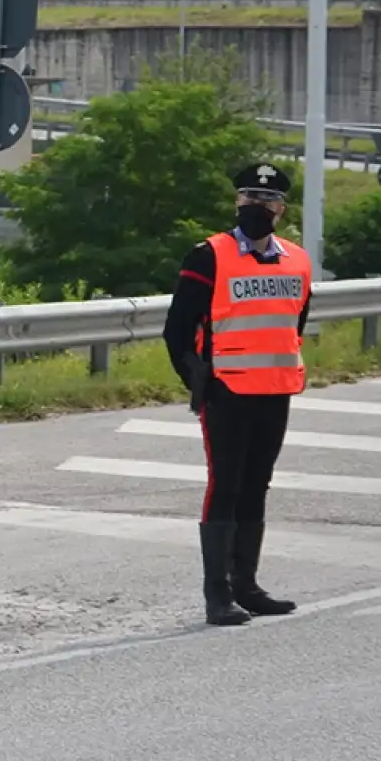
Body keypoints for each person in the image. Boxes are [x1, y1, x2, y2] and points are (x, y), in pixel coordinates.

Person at [162, 161, 313, 627]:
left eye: (267, 202)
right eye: (249, 199)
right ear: (237, 203)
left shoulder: (298, 261)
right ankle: (218, 595)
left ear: (281, 210)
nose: (257, 208)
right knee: (224, 487)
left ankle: (247, 586)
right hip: (227, 392)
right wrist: (201, 383)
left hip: (276, 390)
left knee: (256, 486)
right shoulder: (207, 256)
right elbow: (176, 331)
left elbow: (295, 325)